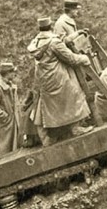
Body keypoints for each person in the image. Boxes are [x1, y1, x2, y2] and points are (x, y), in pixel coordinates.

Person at [27, 17, 93, 145]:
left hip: (45, 79)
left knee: (53, 105)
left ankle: (58, 131)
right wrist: (84, 58)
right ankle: (75, 128)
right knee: (74, 93)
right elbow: (71, 59)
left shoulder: (37, 42)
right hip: (58, 77)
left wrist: (77, 33)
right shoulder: (53, 42)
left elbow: (62, 40)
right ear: (51, 26)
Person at [0, 62, 21, 160]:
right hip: (2, 125)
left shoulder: (9, 85)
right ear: (7, 73)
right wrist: (5, 116)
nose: (14, 74)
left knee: (10, 150)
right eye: (13, 72)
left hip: (8, 124)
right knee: (1, 152)